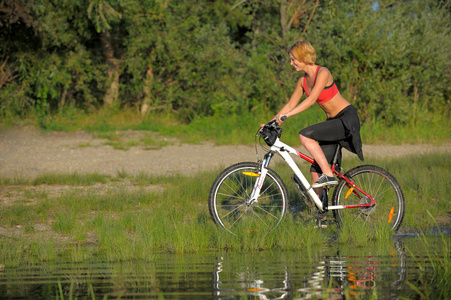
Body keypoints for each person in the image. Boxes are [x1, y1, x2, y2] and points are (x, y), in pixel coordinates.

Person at [270, 40, 364, 198]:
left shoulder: (323, 73)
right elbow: (290, 104)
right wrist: (270, 123)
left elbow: (311, 100)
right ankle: (322, 216)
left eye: (293, 59)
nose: (291, 63)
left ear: (303, 57)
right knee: (315, 170)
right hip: (333, 122)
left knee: (305, 134)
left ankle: (329, 174)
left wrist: (288, 116)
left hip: (346, 119)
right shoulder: (302, 81)